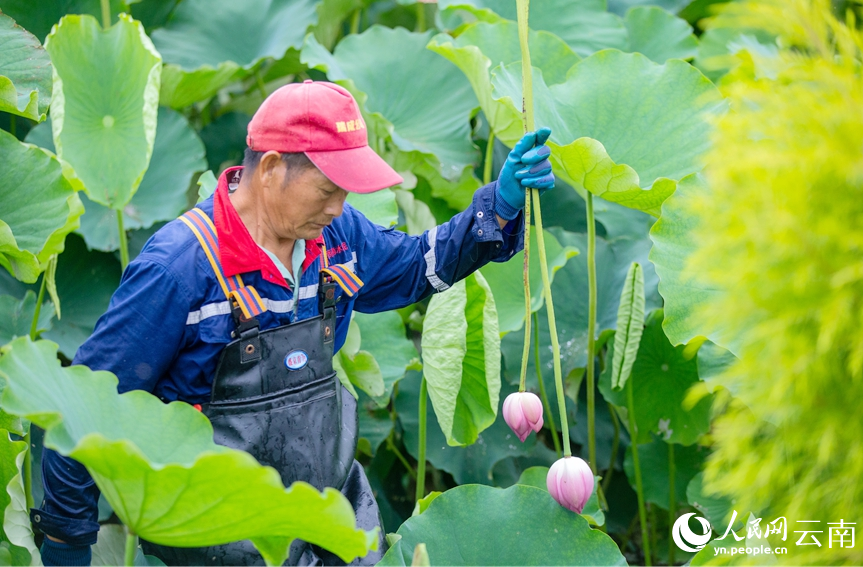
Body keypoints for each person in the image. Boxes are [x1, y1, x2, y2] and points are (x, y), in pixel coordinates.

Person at [35, 80, 556, 566]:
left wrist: (501, 205)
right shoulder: (179, 267)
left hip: (324, 505)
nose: (339, 206)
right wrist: (65, 542)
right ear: (271, 168)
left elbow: (420, 266)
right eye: (328, 189)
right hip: (214, 529)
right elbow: (88, 407)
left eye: (347, 192)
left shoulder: (336, 237)